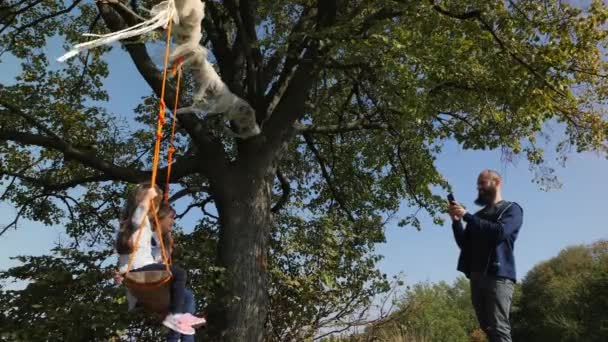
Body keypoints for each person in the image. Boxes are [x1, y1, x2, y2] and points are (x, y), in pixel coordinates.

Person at [115, 183, 204, 336]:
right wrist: (147, 199)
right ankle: (175, 317)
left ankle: (179, 321)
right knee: (179, 273)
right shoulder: (139, 223)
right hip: (137, 269)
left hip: (140, 268)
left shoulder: (142, 227)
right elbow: (139, 215)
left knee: (187, 295)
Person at [448, 170, 523, 342]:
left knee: (499, 327)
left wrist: (466, 215)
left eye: (483, 183)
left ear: (497, 183)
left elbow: (499, 232)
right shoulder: (478, 216)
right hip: (476, 276)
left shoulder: (511, 209)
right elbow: (465, 245)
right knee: (487, 327)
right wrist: (456, 221)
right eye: (478, 184)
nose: (479, 187)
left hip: (498, 277)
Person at [154, 203, 205, 342]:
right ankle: (176, 334)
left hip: (161, 282)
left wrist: (168, 241)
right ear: (161, 218)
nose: (174, 221)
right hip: (152, 282)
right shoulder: (149, 237)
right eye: (171, 218)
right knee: (186, 297)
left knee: (187, 298)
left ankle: (179, 335)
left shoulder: (162, 239)